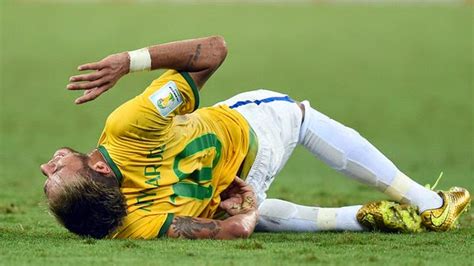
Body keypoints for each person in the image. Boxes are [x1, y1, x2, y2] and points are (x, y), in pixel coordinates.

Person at [40, 36, 470, 240]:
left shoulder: (127, 226)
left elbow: (230, 230)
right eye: (56, 173)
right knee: (299, 116)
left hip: (235, 196)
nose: (46, 166)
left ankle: (358, 216)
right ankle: (428, 204)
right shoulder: (128, 127)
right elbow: (214, 50)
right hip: (251, 135)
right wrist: (128, 61)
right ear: (97, 167)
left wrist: (244, 212)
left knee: (255, 213)